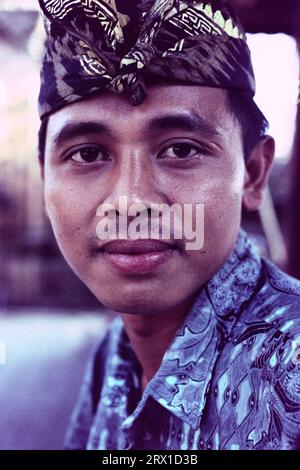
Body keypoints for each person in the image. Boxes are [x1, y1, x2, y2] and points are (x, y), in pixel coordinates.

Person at [37, 0, 300, 450]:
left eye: (180, 150)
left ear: (253, 172)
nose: (130, 203)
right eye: (88, 154)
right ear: (44, 176)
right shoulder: (114, 354)